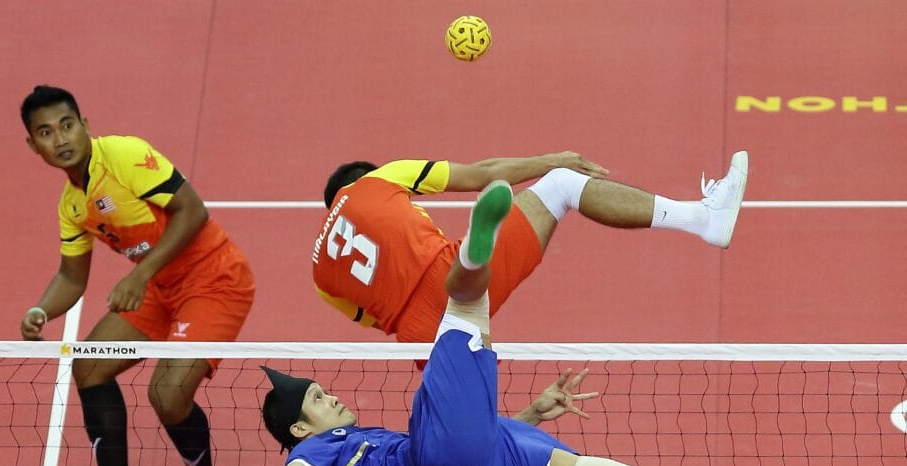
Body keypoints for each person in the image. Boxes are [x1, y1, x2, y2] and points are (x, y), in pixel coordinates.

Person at [258, 181, 816, 466]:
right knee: (464, 302)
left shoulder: (346, 460)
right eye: (317, 399)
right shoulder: (315, 452)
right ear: (300, 428)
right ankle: (475, 247)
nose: (331, 395)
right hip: (433, 461)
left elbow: (466, 447)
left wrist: (529, 412)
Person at [18, 85, 255, 466]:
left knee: (167, 393)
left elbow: (193, 211)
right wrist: (41, 310)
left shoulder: (124, 155)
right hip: (159, 286)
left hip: (214, 279)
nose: (60, 139)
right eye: (46, 133)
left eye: (67, 125)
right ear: (34, 145)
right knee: (89, 365)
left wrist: (139, 275)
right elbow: (71, 277)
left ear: (85, 125)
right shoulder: (72, 205)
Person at [313, 150, 749, 346]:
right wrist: (550, 160)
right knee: (561, 186)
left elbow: (374, 319)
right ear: (361, 178)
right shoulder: (379, 180)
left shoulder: (321, 279)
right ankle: (702, 218)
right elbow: (483, 173)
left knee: (481, 436)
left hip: (420, 336)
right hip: (445, 277)